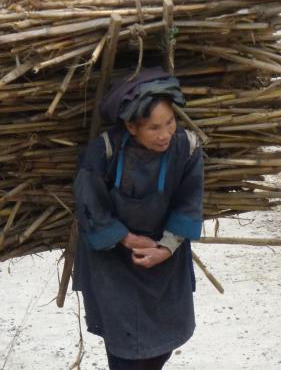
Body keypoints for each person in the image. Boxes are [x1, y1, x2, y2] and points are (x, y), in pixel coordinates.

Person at [72, 67, 204, 370]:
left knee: (162, 346)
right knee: (124, 352)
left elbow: (189, 202)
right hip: (113, 261)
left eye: (169, 122)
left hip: (165, 257)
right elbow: (89, 204)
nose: (165, 134)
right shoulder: (104, 151)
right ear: (132, 127)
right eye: (154, 128)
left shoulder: (186, 148)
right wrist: (126, 238)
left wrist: (166, 247)